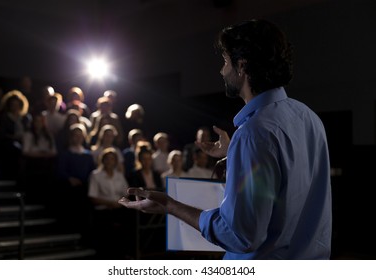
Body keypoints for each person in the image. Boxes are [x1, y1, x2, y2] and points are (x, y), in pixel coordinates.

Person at [119, 19, 332, 260]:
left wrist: (170, 206)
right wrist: (236, 153)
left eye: (225, 62)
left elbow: (240, 236)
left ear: (241, 67)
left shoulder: (253, 132)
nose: (222, 70)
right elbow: (289, 179)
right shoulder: (308, 117)